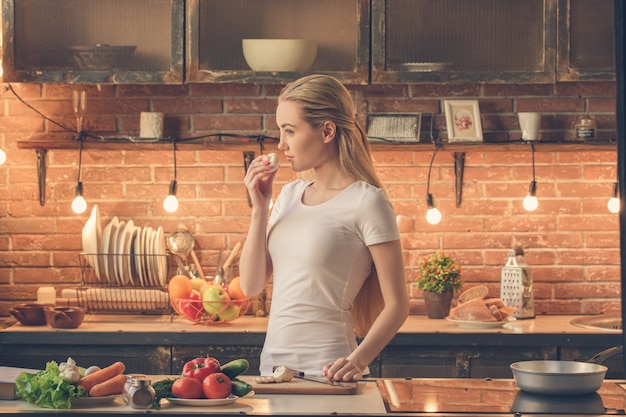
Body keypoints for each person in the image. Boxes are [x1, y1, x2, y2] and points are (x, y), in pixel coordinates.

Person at [239, 74, 409, 382]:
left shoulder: (367, 201)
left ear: (327, 130)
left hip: (331, 374)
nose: (281, 143)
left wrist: (357, 361)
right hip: (273, 371)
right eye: (280, 131)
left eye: (290, 131)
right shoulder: (289, 195)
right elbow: (250, 287)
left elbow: (398, 305)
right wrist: (260, 209)